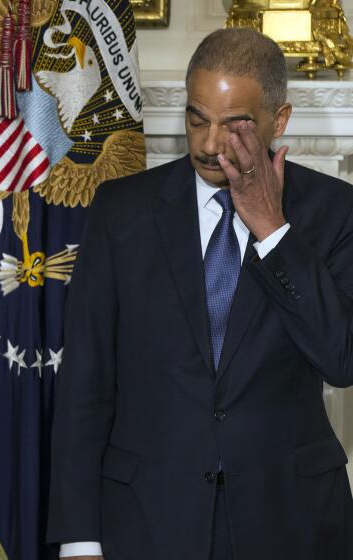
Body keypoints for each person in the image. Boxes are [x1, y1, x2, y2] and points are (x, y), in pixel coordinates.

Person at [47, 28, 353, 560]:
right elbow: (85, 385)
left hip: (291, 522)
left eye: (234, 127)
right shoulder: (122, 212)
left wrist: (272, 229)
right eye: (196, 119)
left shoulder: (334, 212)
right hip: (146, 520)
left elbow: (341, 359)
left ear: (278, 121)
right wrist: (79, 539)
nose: (210, 145)